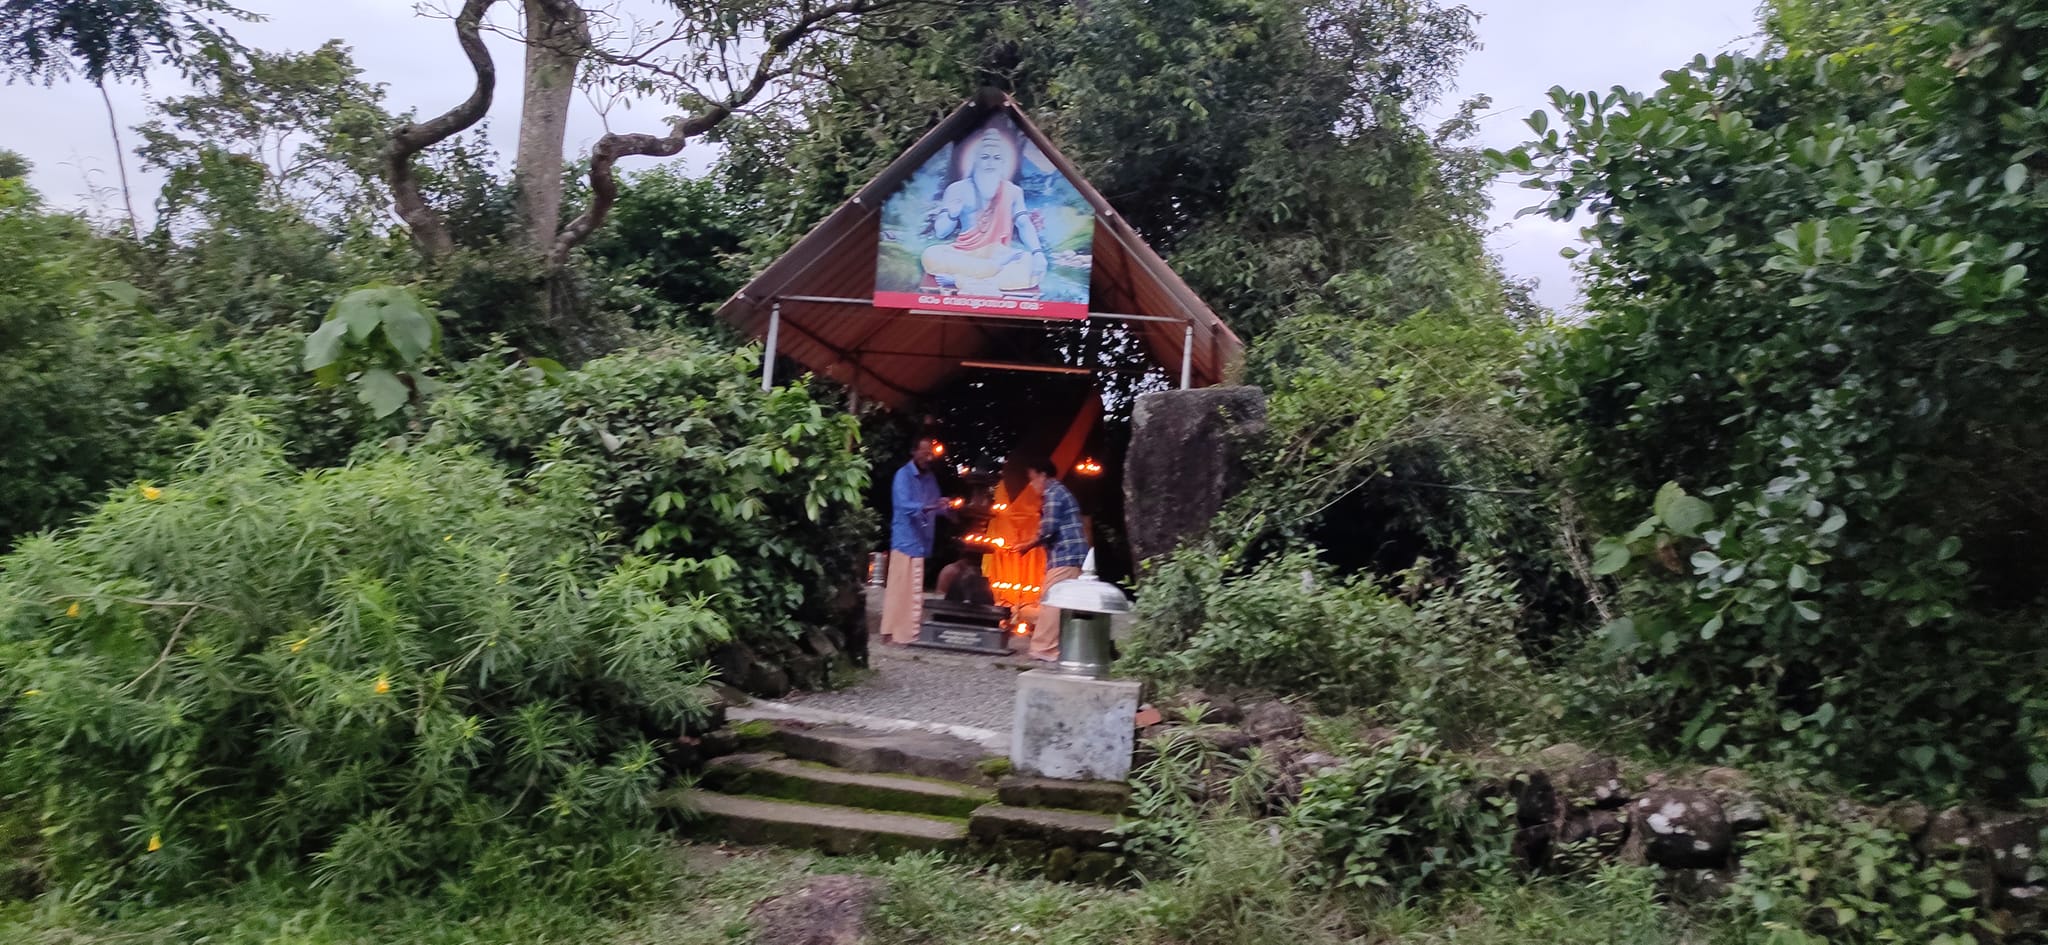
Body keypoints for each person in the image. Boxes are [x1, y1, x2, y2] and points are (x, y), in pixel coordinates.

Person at [919, 126, 1047, 297]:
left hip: (999, 253)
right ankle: (990, 277)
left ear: (1003, 163)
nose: (990, 163)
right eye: (985, 157)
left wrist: (1038, 253)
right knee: (930, 255)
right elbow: (941, 232)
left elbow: (1024, 224)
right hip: (964, 252)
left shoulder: (1013, 191)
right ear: (975, 160)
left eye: (996, 158)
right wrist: (952, 215)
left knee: (1030, 264)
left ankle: (963, 281)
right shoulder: (957, 189)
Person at [1013, 460, 1088, 662]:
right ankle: (1058, 646)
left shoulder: (1053, 494)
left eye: (1032, 479)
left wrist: (1026, 545)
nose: (1032, 485)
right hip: (1072, 554)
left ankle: (1044, 648)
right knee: (1062, 602)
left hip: (1066, 554)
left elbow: (1048, 529)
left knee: (1053, 600)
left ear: (1043, 475)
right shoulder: (1060, 492)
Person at [883, 437, 951, 645]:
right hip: (904, 540)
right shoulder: (902, 475)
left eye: (930, 453)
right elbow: (904, 505)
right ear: (913, 452)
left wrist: (948, 507)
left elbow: (938, 506)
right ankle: (890, 633)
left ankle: (908, 634)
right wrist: (929, 506)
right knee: (898, 589)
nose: (927, 457)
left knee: (913, 591)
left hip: (921, 542)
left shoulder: (930, 478)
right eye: (923, 452)